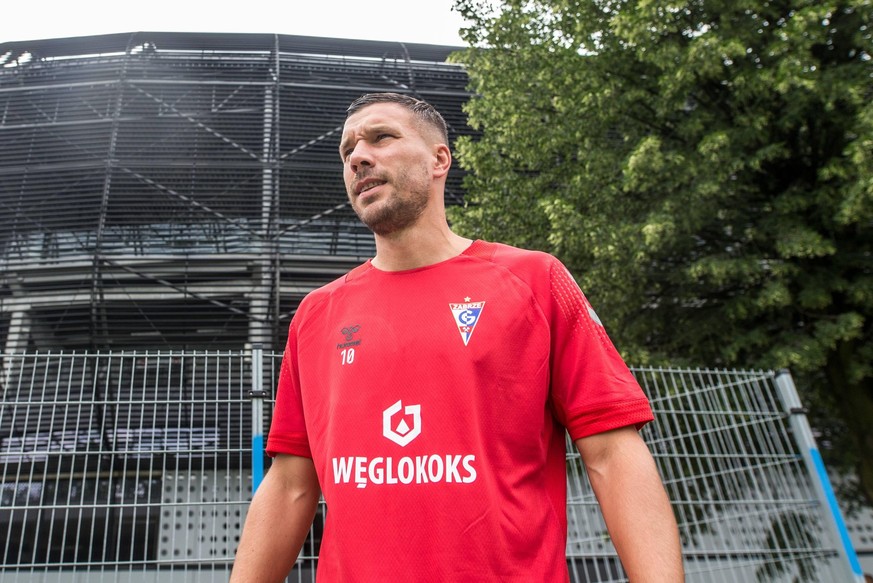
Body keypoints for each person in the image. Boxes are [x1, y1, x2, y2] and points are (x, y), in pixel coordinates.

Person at [230, 92, 684, 582]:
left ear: (439, 158)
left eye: (381, 137)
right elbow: (290, 485)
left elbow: (614, 454)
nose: (358, 156)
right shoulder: (317, 314)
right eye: (347, 151)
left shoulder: (533, 281)